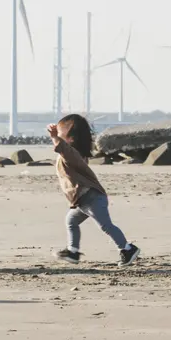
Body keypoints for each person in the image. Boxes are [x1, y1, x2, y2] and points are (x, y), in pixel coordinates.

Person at [49, 114, 140, 267]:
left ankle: (127, 249)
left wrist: (54, 138)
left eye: (59, 133)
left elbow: (63, 149)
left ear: (70, 139)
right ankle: (73, 251)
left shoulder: (72, 155)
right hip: (82, 201)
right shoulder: (75, 155)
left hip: (91, 198)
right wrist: (57, 138)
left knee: (106, 225)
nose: (56, 135)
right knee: (71, 221)